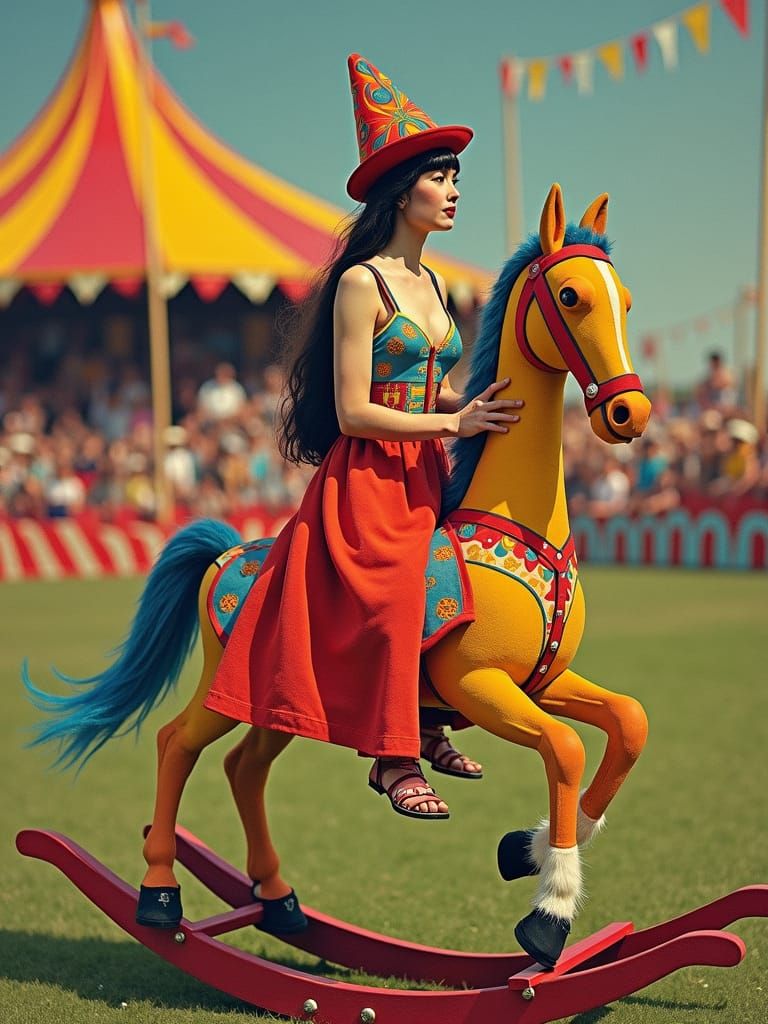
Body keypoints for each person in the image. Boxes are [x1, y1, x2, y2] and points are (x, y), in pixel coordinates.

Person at [203, 54, 523, 820]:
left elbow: (424, 384)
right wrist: (452, 421)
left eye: (456, 179)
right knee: (395, 596)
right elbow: (354, 410)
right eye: (440, 178)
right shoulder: (361, 282)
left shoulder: (435, 283)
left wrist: (476, 403)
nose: (453, 191)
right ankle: (391, 759)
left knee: (464, 584)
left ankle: (430, 719)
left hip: (426, 471)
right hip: (368, 480)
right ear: (401, 192)